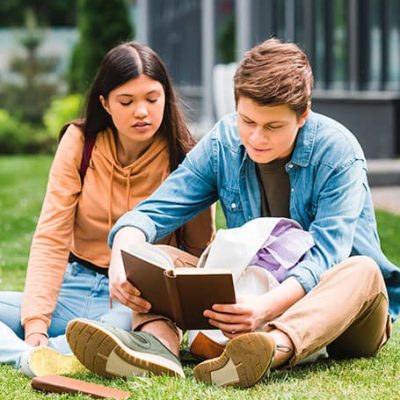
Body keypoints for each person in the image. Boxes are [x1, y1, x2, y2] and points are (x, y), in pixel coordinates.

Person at [66, 38, 399, 388]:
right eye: (247, 120)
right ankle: (157, 347)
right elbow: (153, 212)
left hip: (341, 313)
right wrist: (122, 253)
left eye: (273, 127)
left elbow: (325, 257)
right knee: (152, 254)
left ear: (303, 115)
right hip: (251, 298)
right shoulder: (224, 142)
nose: (256, 137)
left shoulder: (338, 152)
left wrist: (265, 311)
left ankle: (271, 349)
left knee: (361, 269)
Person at [0, 41, 214, 377]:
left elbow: (199, 251)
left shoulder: (185, 157)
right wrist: (37, 325)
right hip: (73, 285)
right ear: (106, 103)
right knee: (47, 327)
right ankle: (32, 355)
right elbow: (51, 237)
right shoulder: (79, 142)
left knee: (116, 338)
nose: (141, 111)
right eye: (126, 101)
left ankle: (61, 352)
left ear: (166, 98)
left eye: (152, 99)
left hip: (134, 299)